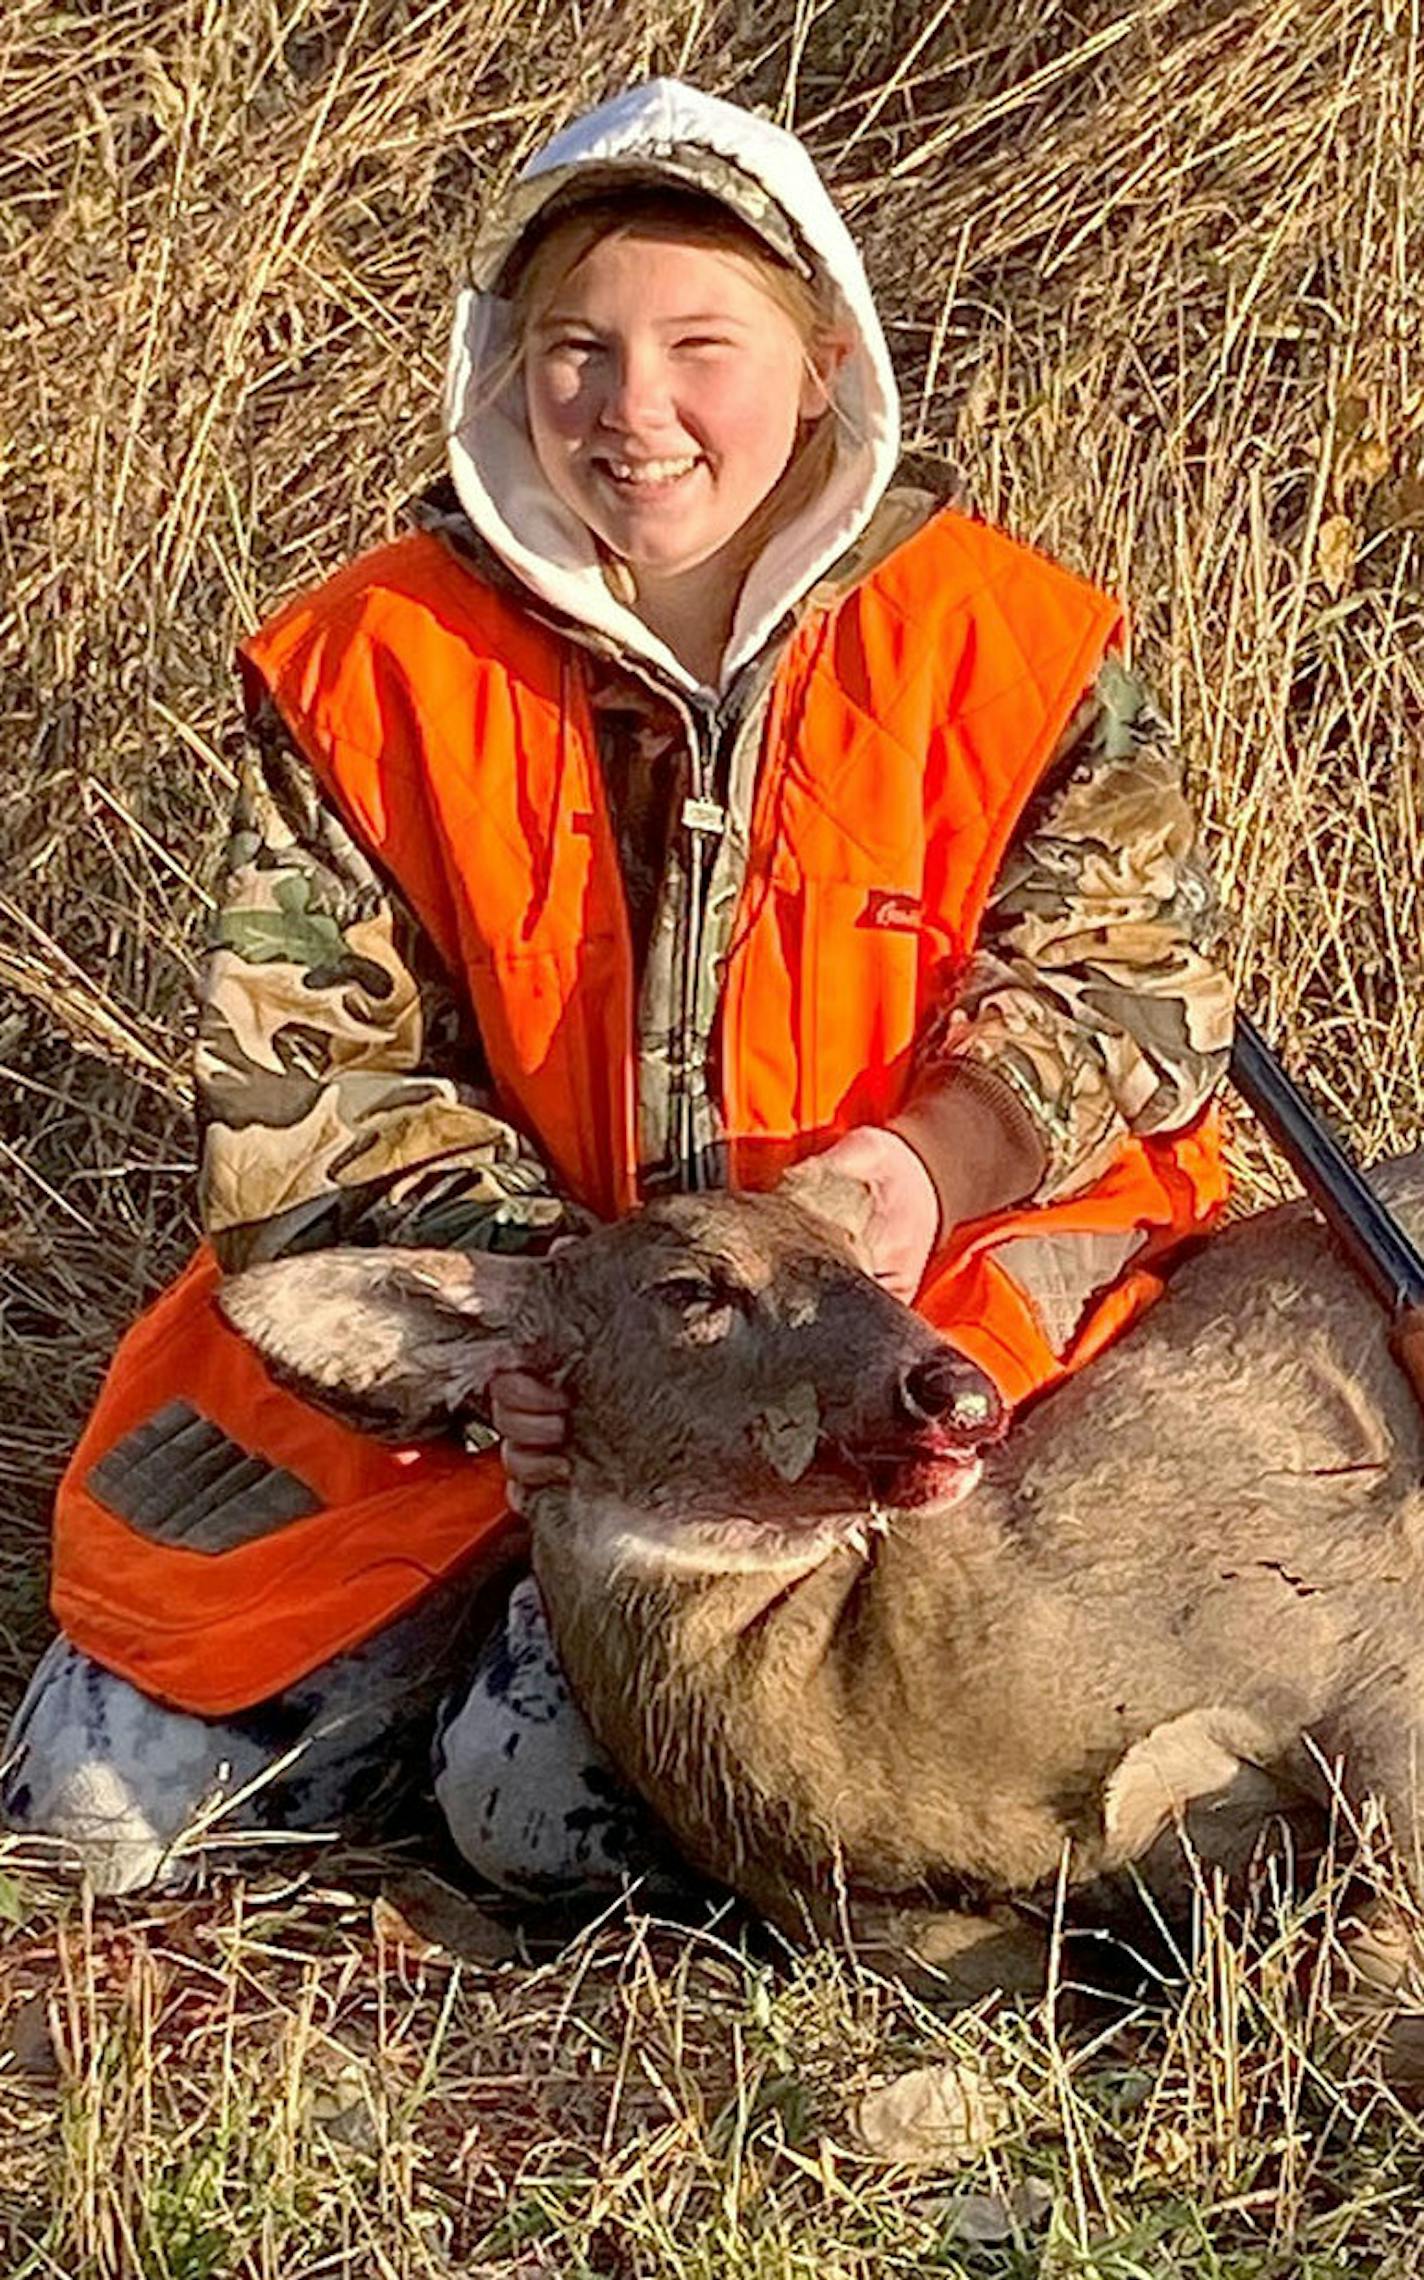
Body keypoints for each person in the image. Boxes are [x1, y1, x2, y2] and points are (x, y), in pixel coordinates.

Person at [1, 79, 1233, 1896]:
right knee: (92, 1818)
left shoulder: (1010, 642)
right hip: (502, 1361)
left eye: (699, 346)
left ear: (823, 361)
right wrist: (552, 1331)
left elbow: (1137, 995)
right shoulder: (372, 661)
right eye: (577, 346)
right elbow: (311, 1101)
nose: (634, 411)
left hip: (886, 1344)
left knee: (545, 1815)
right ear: (508, 363)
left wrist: (913, 1170)